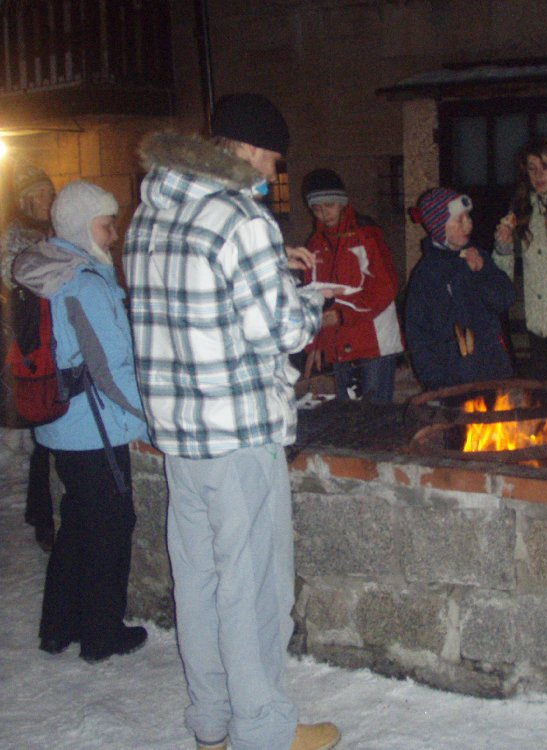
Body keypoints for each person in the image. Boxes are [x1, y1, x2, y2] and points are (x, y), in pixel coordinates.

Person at [124, 94, 340, 750]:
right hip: (240, 433)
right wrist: (310, 302)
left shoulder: (150, 212)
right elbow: (279, 330)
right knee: (254, 590)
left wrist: (273, 270)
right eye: (272, 159)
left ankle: (213, 722)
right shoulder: (240, 218)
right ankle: (262, 730)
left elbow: (202, 305)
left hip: (181, 437)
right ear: (247, 149)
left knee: (198, 584)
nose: (272, 173)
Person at [12, 180, 149, 663]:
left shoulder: (48, 271)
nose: (114, 235)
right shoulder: (84, 283)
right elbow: (111, 369)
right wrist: (148, 419)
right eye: (106, 225)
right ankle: (101, 634)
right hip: (96, 428)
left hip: (61, 424)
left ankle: (59, 626)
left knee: (76, 524)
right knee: (111, 527)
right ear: (81, 226)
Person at [300, 168, 404, 402]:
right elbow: (310, 295)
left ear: (342, 203)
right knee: (348, 414)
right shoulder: (315, 245)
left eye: (329, 205)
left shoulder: (366, 237)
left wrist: (343, 316)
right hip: (338, 344)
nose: (324, 213)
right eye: (316, 209)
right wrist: (313, 344)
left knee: (375, 412)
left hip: (372, 341)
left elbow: (385, 288)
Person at [0, 162, 57, 553]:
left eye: (50, 193)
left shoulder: (57, 229)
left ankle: (47, 511)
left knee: (54, 432)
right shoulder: (16, 236)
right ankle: (42, 515)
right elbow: (18, 278)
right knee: (44, 429)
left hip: (56, 338)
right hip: (34, 342)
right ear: (26, 199)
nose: (48, 200)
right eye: (41, 194)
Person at [405, 187, 516, 390]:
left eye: (468, 217)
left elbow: (505, 299)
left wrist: (482, 272)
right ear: (440, 227)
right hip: (452, 380)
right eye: (459, 220)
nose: (468, 224)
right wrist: (435, 381)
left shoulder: (478, 256)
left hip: (493, 373)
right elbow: (418, 333)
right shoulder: (426, 274)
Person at [493, 137, 547, 370]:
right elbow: (503, 277)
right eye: (532, 168)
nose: (538, 175)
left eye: (545, 167)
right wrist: (503, 248)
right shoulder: (518, 212)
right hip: (526, 325)